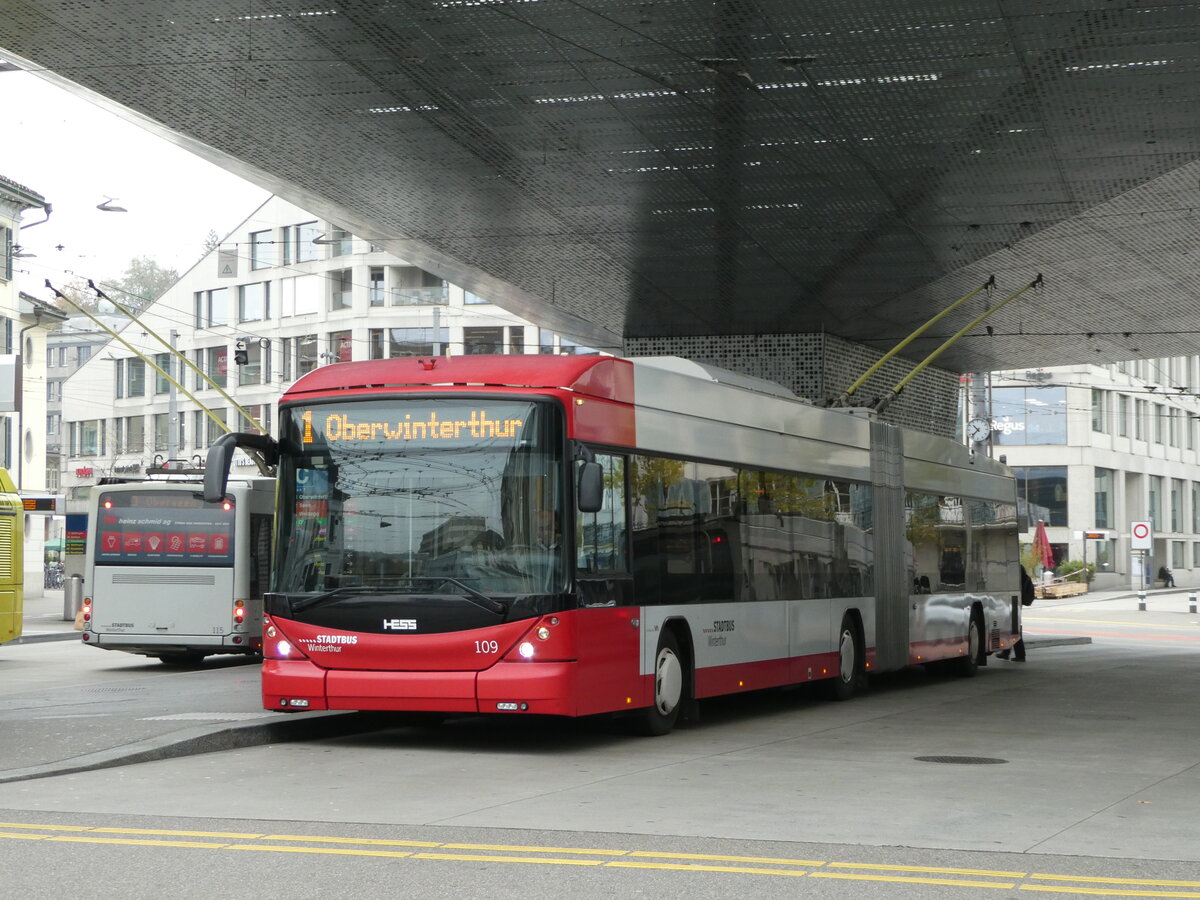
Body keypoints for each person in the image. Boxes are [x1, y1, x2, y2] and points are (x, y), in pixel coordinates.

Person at [998, 565, 1034, 662]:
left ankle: (1019, 655)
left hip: (1013, 602)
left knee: (1013, 628)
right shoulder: (1019, 567)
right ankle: (1007, 652)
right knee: (1011, 627)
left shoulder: (1015, 568)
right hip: (1015, 602)